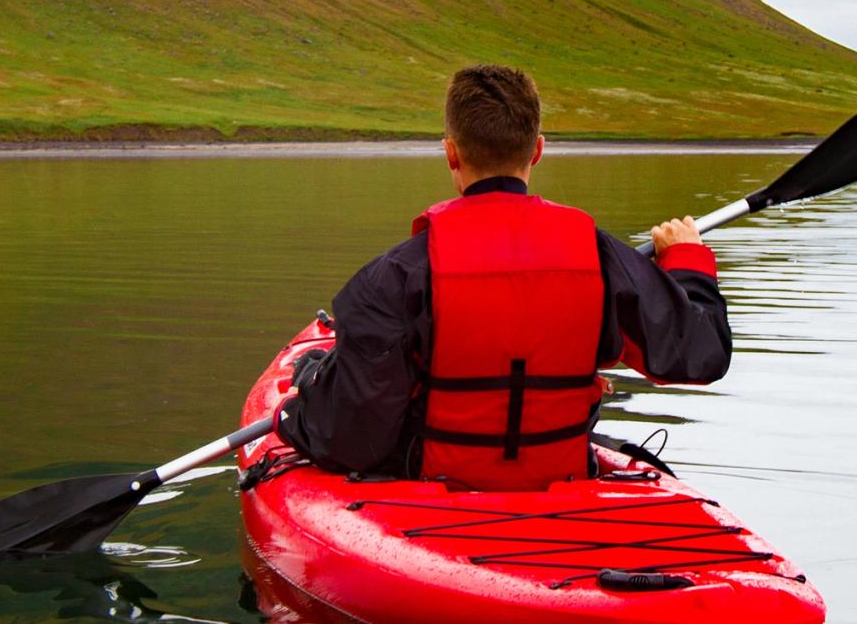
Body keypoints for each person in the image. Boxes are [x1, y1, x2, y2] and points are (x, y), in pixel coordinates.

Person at [278, 63, 731, 483]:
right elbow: (702, 354)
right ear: (537, 150)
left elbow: (352, 440)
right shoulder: (600, 256)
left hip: (436, 491)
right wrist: (686, 261)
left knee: (317, 372)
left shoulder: (394, 277)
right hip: (565, 483)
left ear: (451, 154)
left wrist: (297, 408)